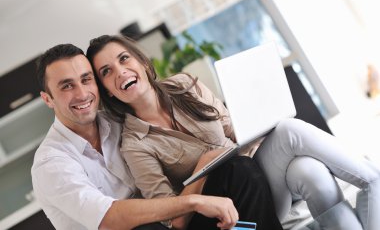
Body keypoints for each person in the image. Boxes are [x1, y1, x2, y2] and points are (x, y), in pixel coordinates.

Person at [87, 34, 380, 230]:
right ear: (107, 92)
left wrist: (259, 120)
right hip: (239, 210)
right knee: (291, 130)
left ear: (141, 61)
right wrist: (203, 168)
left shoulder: (185, 85)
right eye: (106, 72)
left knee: (310, 172)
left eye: (124, 59)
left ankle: (371, 179)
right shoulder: (135, 145)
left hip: (260, 171)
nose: (120, 71)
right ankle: (371, 179)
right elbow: (173, 220)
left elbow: (233, 130)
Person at [31, 43, 251, 230]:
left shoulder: (119, 121)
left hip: (171, 222)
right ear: (48, 99)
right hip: (151, 226)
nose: (81, 93)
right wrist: (193, 201)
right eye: (67, 86)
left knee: (238, 172)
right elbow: (108, 217)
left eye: (86, 79)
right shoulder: (50, 163)